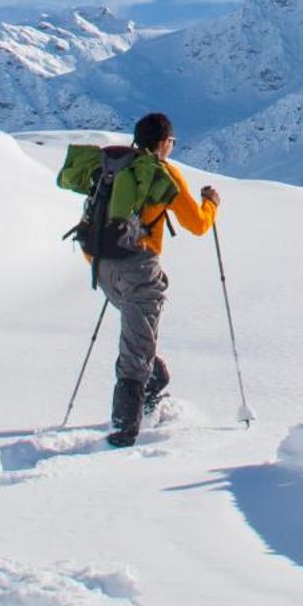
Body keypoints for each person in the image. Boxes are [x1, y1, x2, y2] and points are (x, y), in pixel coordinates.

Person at [97, 111, 219, 448]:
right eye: (172, 142)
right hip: (138, 269)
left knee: (140, 340)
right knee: (137, 348)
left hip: (102, 265)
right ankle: (124, 431)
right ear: (164, 143)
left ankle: (150, 392)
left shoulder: (115, 167)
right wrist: (211, 204)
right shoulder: (163, 175)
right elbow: (197, 225)